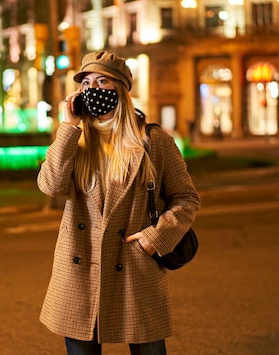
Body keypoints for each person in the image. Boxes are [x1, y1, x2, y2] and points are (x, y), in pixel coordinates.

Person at [37, 51, 201, 355]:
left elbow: (186, 198)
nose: (93, 89)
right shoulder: (77, 139)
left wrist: (155, 238)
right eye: (86, 82)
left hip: (135, 268)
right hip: (79, 272)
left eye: (102, 81)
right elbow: (51, 185)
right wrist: (67, 127)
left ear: (122, 90)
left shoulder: (152, 140)